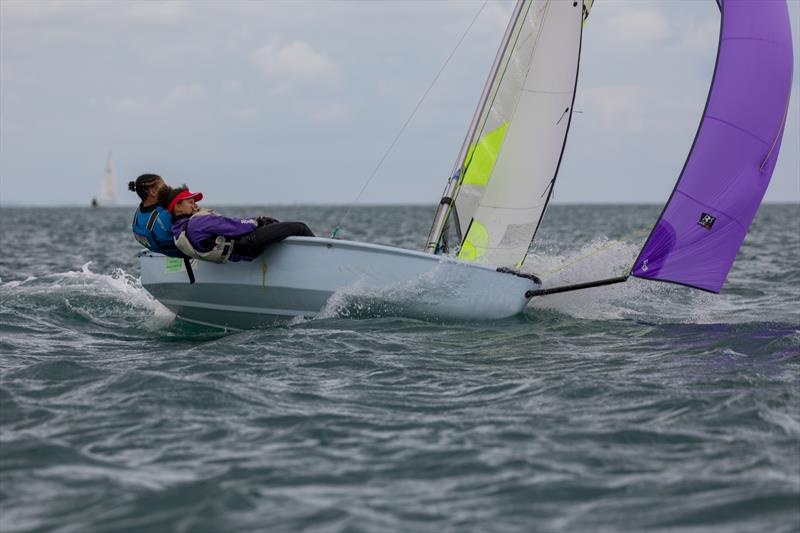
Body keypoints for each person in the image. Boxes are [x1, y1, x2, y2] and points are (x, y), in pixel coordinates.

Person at [166, 187, 314, 263]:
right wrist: (257, 221)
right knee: (299, 227)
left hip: (235, 254)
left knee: (273, 227)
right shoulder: (198, 222)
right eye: (190, 202)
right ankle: (321, 259)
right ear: (178, 207)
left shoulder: (178, 232)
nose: (195, 205)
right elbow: (236, 227)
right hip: (250, 245)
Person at [129, 174, 183, 257]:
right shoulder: (165, 215)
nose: (168, 189)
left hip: (162, 250)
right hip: (184, 252)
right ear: (153, 192)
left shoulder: (138, 213)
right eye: (164, 186)